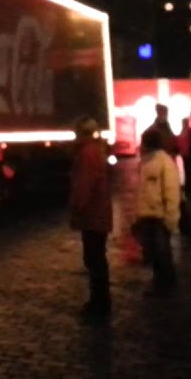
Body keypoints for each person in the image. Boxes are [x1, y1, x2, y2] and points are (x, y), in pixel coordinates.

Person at [69, 116, 113, 319]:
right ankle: (100, 302)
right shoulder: (95, 150)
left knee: (94, 259)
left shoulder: (86, 153)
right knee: (97, 258)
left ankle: (99, 304)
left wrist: (78, 208)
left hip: (92, 215)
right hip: (99, 213)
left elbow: (84, 185)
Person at [135, 129, 181, 294]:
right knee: (154, 253)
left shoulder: (163, 162)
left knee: (162, 253)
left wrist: (171, 217)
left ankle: (167, 285)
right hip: (148, 215)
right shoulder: (145, 162)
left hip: (159, 217)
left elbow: (171, 191)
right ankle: (160, 283)